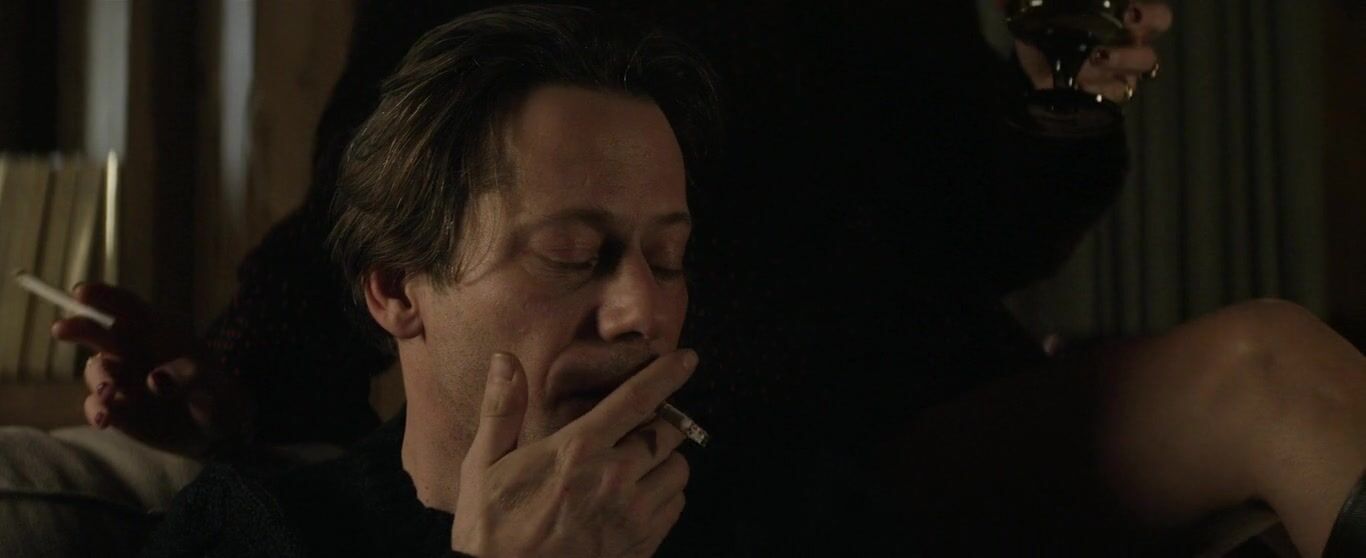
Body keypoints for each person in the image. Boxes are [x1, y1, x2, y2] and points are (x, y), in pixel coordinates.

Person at [139, 6, 730, 557]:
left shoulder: (752, 521)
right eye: (571, 255)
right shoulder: (245, 532)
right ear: (397, 289)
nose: (644, 310)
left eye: (666, 259)